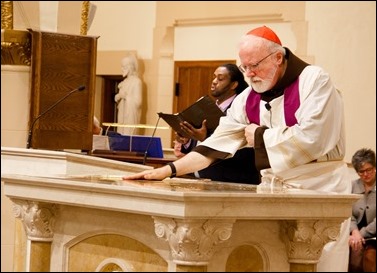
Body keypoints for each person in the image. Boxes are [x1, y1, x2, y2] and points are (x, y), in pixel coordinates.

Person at [123, 25, 350, 271]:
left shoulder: (314, 81)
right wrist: (168, 170)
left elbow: (314, 139)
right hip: (275, 192)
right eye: (244, 68)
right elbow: (215, 145)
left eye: (255, 66)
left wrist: (261, 136)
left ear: (278, 57)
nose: (249, 75)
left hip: (319, 191)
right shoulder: (248, 97)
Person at [174, 63, 259, 183]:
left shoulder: (241, 108)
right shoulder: (208, 108)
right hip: (202, 177)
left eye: (220, 79)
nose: (214, 81)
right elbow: (198, 145)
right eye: (214, 77)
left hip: (230, 180)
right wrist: (188, 140)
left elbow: (242, 149)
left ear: (234, 84)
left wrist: (205, 138)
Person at [348, 148, 376, 272]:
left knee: (370, 256)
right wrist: (354, 232)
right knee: (354, 255)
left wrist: (360, 234)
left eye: (369, 170)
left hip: (373, 235)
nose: (365, 174)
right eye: (361, 171)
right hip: (355, 235)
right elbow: (348, 213)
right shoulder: (353, 186)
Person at [114, 54, 143, 135]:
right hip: (122, 116)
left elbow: (138, 102)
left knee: (128, 136)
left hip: (130, 117)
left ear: (130, 67)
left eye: (124, 67)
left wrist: (126, 96)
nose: (122, 69)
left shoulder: (137, 82)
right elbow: (120, 99)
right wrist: (118, 97)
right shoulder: (124, 82)